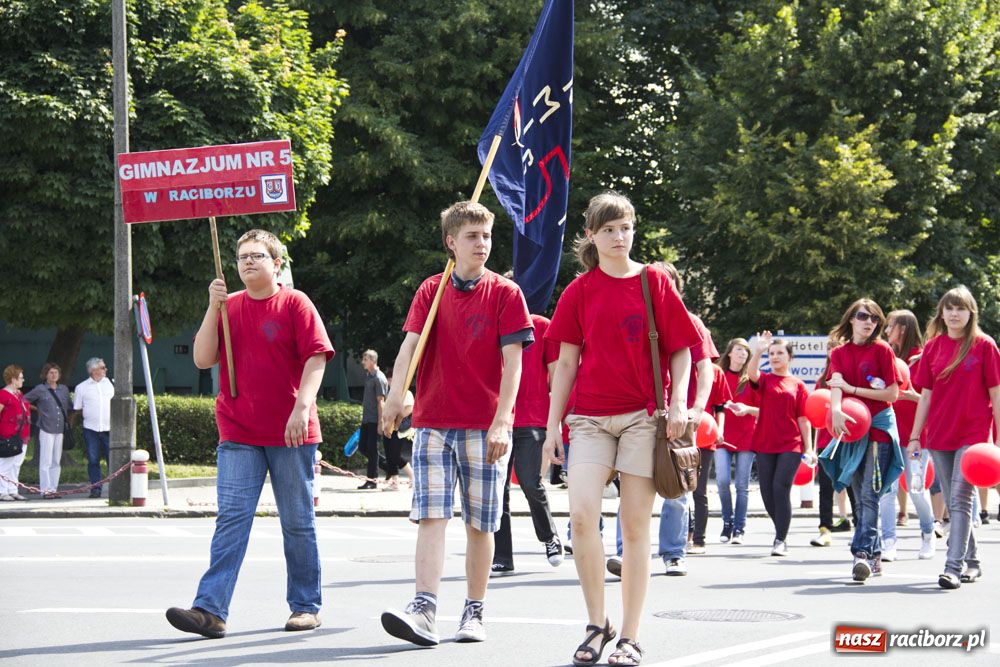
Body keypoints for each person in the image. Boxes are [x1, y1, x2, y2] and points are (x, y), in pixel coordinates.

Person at [543, 192, 699, 666]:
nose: (618, 237)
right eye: (608, 229)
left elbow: (683, 350)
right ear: (591, 235)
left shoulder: (654, 282)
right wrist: (553, 424)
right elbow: (565, 362)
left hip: (642, 419)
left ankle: (630, 635)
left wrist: (678, 404)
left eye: (625, 227)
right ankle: (598, 624)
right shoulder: (580, 291)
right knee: (583, 515)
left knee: (634, 528)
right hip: (589, 417)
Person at [166, 229, 333, 638]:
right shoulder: (228, 307)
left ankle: (305, 606)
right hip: (239, 430)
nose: (247, 262)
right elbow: (204, 359)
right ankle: (210, 610)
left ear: (277, 264)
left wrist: (302, 407)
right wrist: (213, 306)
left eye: (257, 255)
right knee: (232, 520)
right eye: (241, 257)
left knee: (297, 521)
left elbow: (317, 358)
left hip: (291, 432)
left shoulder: (295, 302)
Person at [379, 201, 532, 646]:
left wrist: (503, 421)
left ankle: (474, 610)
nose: (482, 244)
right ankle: (424, 608)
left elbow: (513, 365)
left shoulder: (506, 293)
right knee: (431, 516)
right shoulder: (431, 289)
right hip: (433, 422)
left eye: (486, 236)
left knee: (481, 525)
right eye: (472, 236)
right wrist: (394, 397)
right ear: (451, 242)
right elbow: (409, 347)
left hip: (484, 426)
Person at [908, 286, 1000, 589]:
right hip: (939, 434)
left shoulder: (985, 346)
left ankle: (952, 566)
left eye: (960, 308)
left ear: (970, 312)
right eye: (949, 308)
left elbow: (996, 395)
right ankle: (972, 562)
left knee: (961, 497)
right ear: (942, 312)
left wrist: (997, 440)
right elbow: (925, 396)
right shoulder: (933, 347)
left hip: (973, 435)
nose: (954, 313)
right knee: (951, 500)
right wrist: (914, 437)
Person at [821, 299, 903, 583]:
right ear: (851, 319)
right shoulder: (840, 352)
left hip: (878, 429)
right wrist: (835, 410)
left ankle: (862, 555)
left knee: (870, 494)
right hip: (852, 430)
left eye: (875, 319)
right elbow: (836, 385)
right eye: (863, 316)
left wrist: (854, 390)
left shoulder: (882, 350)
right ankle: (876, 553)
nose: (869, 322)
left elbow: (892, 394)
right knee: (859, 497)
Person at [492, 310, 563, 577]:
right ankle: (502, 556)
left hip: (533, 417)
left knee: (530, 480)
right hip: (499, 419)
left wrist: (554, 421)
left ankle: (549, 537)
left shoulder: (542, 326)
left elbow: (557, 373)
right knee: (498, 489)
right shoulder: (492, 326)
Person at [742, 332, 814, 557]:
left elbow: (804, 419)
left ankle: (780, 539)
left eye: (779, 353)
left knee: (780, 488)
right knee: (766, 493)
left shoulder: (799, 385)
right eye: (772, 353)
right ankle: (781, 527)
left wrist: (809, 448)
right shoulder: (764, 380)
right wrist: (759, 350)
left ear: (790, 357)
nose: (775, 357)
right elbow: (751, 373)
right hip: (765, 442)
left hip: (790, 444)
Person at [885, 309, 936, 559]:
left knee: (916, 489)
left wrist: (910, 396)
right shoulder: (887, 357)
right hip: (889, 436)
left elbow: (933, 400)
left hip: (917, 437)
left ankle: (928, 533)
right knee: (887, 490)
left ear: (902, 329)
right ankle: (888, 541)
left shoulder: (923, 358)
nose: (885, 332)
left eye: (889, 326)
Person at [715, 338, 757, 545]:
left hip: (747, 437)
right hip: (721, 436)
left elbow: (765, 409)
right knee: (722, 481)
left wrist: (747, 409)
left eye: (746, 352)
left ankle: (739, 528)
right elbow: (712, 403)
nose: (742, 354)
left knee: (742, 485)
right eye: (739, 350)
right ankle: (727, 523)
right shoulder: (718, 374)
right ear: (730, 352)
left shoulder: (752, 379)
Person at [24, 363, 72, 498]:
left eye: (56, 372)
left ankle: (53, 488)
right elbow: (24, 400)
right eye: (51, 372)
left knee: (56, 460)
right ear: (45, 374)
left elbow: (70, 406)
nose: (54, 375)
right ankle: (45, 490)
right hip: (46, 427)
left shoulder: (64, 389)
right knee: (46, 460)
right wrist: (37, 409)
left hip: (60, 429)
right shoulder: (40, 389)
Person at [73, 357, 114, 499]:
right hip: (91, 429)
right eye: (103, 367)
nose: (106, 369)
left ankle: (116, 488)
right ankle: (96, 488)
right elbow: (77, 408)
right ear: (94, 370)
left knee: (113, 459)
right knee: (93, 459)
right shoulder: (81, 387)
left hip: (109, 428)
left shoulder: (110, 384)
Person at [358, 350, 388, 490]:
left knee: (371, 450)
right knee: (363, 448)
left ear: (373, 361)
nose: (363, 362)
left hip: (374, 420)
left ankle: (372, 481)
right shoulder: (369, 376)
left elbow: (381, 402)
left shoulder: (378, 378)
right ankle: (387, 464)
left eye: (365, 359)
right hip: (366, 419)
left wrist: (381, 423)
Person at [0, 365, 30, 501]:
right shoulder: (3, 394)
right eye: (21, 378)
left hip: (22, 435)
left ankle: (13, 490)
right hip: (9, 435)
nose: (23, 380)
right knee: (5, 464)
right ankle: (2, 491)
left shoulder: (19, 394)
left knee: (16, 464)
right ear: (13, 379)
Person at [382, 370, 415, 490]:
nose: (390, 381)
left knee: (396, 455)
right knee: (389, 455)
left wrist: (396, 419)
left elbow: (410, 408)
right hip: (388, 426)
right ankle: (395, 481)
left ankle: (412, 477)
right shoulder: (390, 393)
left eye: (391, 379)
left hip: (400, 429)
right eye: (389, 379)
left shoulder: (406, 392)